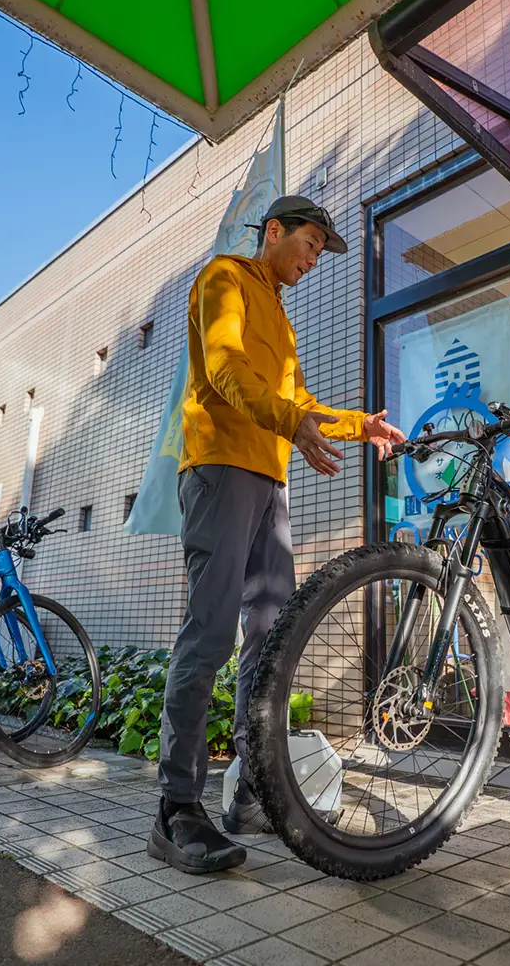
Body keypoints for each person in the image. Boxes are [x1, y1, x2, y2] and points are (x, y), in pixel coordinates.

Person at [148, 196, 406, 875]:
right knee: (209, 633)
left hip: (269, 483)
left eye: (322, 251)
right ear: (273, 232)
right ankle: (176, 808)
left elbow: (298, 405)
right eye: (311, 244)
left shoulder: (282, 317)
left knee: (271, 637)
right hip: (219, 470)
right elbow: (228, 371)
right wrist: (291, 423)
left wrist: (358, 424)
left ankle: (251, 792)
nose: (314, 259)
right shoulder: (224, 279)